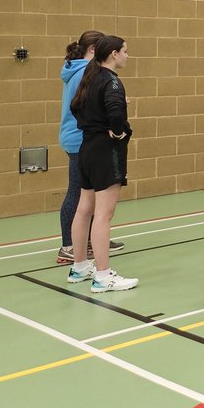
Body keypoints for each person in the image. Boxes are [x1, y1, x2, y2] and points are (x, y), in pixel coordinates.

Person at [66, 35, 137, 292]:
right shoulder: (112, 82)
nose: (128, 56)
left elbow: (76, 108)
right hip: (106, 151)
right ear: (114, 54)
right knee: (104, 214)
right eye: (125, 51)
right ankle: (103, 276)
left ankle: (80, 266)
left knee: (84, 209)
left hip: (86, 148)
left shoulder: (89, 77)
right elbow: (117, 114)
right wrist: (117, 132)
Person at [57, 30, 125, 264]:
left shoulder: (79, 70)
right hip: (82, 138)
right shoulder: (86, 72)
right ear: (94, 50)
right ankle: (69, 245)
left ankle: (90, 240)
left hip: (78, 135)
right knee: (79, 196)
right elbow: (83, 105)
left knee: (88, 198)